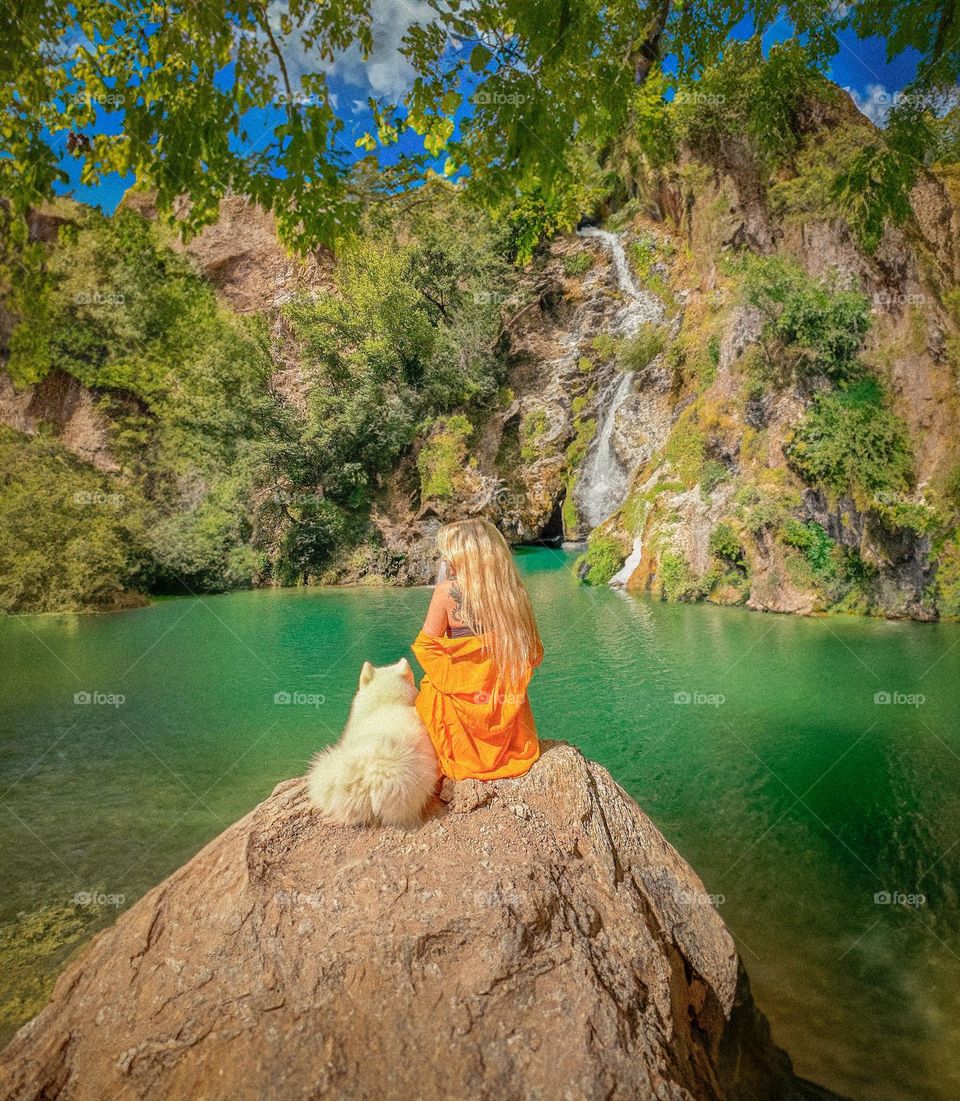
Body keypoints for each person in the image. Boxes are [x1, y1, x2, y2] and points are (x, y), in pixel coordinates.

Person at [411, 518, 543, 782]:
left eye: (448, 554)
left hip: (462, 718)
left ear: (464, 556)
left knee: (429, 689)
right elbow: (533, 655)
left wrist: (462, 674)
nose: (445, 561)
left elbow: (426, 647)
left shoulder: (446, 592)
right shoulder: (513, 593)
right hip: (504, 708)